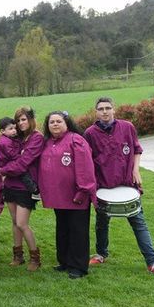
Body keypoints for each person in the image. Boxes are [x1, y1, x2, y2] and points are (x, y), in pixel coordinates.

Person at [84, 97, 154, 278]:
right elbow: (87, 160)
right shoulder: (90, 133)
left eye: (108, 108)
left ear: (114, 110)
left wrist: (136, 170)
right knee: (102, 223)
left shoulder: (127, 127)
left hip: (127, 183)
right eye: (101, 109)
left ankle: (152, 262)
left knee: (139, 223)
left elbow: (136, 149)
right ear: (96, 112)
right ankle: (101, 253)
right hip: (103, 185)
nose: (104, 111)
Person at [39, 111, 97, 279]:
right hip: (58, 196)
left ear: (67, 123)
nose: (55, 124)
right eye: (52, 122)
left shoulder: (76, 140)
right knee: (63, 229)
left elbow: (85, 167)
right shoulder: (48, 143)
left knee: (78, 230)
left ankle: (78, 266)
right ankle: (64, 261)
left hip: (76, 195)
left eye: (59, 121)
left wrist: (83, 190)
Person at [0, 106, 43, 271]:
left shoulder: (36, 138)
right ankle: (18, 255)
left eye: (23, 119)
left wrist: (2, 170)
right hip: (10, 185)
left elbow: (23, 164)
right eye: (18, 120)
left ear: (30, 120)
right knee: (15, 223)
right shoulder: (17, 138)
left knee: (22, 223)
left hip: (25, 186)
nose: (20, 123)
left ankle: (35, 257)